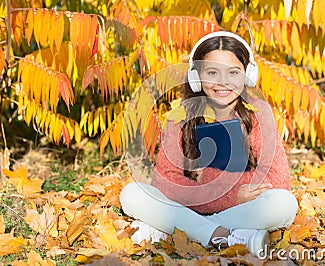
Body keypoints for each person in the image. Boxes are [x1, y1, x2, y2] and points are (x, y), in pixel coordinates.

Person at [120, 31, 298, 258]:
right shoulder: (179, 116)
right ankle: (226, 236)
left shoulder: (259, 113)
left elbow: (277, 177)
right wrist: (231, 194)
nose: (222, 82)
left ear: (248, 75)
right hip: (198, 207)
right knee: (132, 193)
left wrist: (216, 189)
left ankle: (176, 232)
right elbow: (165, 180)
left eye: (233, 72)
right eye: (212, 72)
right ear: (196, 77)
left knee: (284, 203)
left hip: (220, 209)